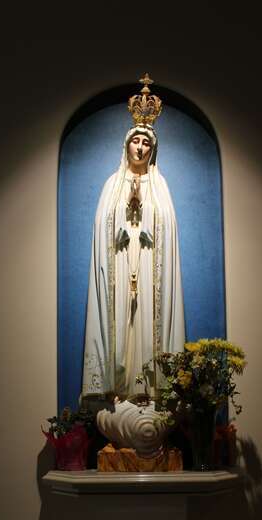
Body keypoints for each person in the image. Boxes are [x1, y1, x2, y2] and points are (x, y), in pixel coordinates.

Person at [82, 75, 185, 401]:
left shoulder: (159, 186)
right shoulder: (112, 185)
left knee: (146, 324)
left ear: (152, 150)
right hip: (121, 262)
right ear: (126, 145)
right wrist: (123, 220)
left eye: (146, 143)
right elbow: (103, 226)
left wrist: (146, 218)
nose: (140, 147)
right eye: (135, 141)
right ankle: (119, 389)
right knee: (122, 322)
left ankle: (151, 392)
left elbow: (166, 227)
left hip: (150, 265)